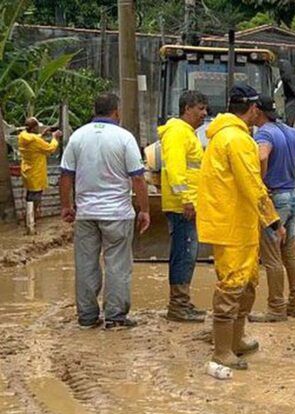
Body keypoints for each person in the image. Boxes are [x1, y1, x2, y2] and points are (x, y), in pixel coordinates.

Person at [196, 84, 282, 370]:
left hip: (233, 222)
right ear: (254, 108)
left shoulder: (223, 136)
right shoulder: (238, 140)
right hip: (233, 224)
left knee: (246, 282)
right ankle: (222, 350)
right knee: (233, 285)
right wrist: (273, 220)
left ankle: (236, 339)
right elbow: (252, 184)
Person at [59, 93, 150, 330]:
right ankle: (115, 317)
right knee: (117, 265)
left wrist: (67, 206)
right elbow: (138, 178)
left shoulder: (77, 137)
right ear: (116, 112)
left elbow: (66, 176)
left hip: (86, 214)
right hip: (118, 214)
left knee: (85, 264)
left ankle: (87, 317)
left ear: (94, 110)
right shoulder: (124, 138)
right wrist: (144, 210)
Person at [249, 97, 295, 323]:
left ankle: (276, 308)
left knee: (271, 256)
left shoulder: (264, 134)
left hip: (275, 198)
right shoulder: (292, 132)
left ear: (258, 111)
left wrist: (261, 183)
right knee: (290, 252)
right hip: (293, 196)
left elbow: (261, 155)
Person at [158, 90, 209, 323]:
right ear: (187, 108)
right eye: (200, 108)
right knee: (184, 254)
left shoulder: (186, 133)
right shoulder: (178, 132)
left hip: (188, 204)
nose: (204, 114)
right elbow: (176, 169)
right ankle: (178, 306)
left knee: (187, 254)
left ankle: (182, 302)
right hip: (182, 206)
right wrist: (186, 199)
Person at [18, 117, 62, 234]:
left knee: (29, 196)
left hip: (27, 170)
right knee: (36, 197)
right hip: (36, 172)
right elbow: (50, 149)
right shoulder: (35, 141)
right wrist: (55, 138)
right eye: (37, 126)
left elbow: (33, 140)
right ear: (33, 128)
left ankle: (28, 221)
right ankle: (31, 223)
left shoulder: (22, 136)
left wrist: (41, 134)